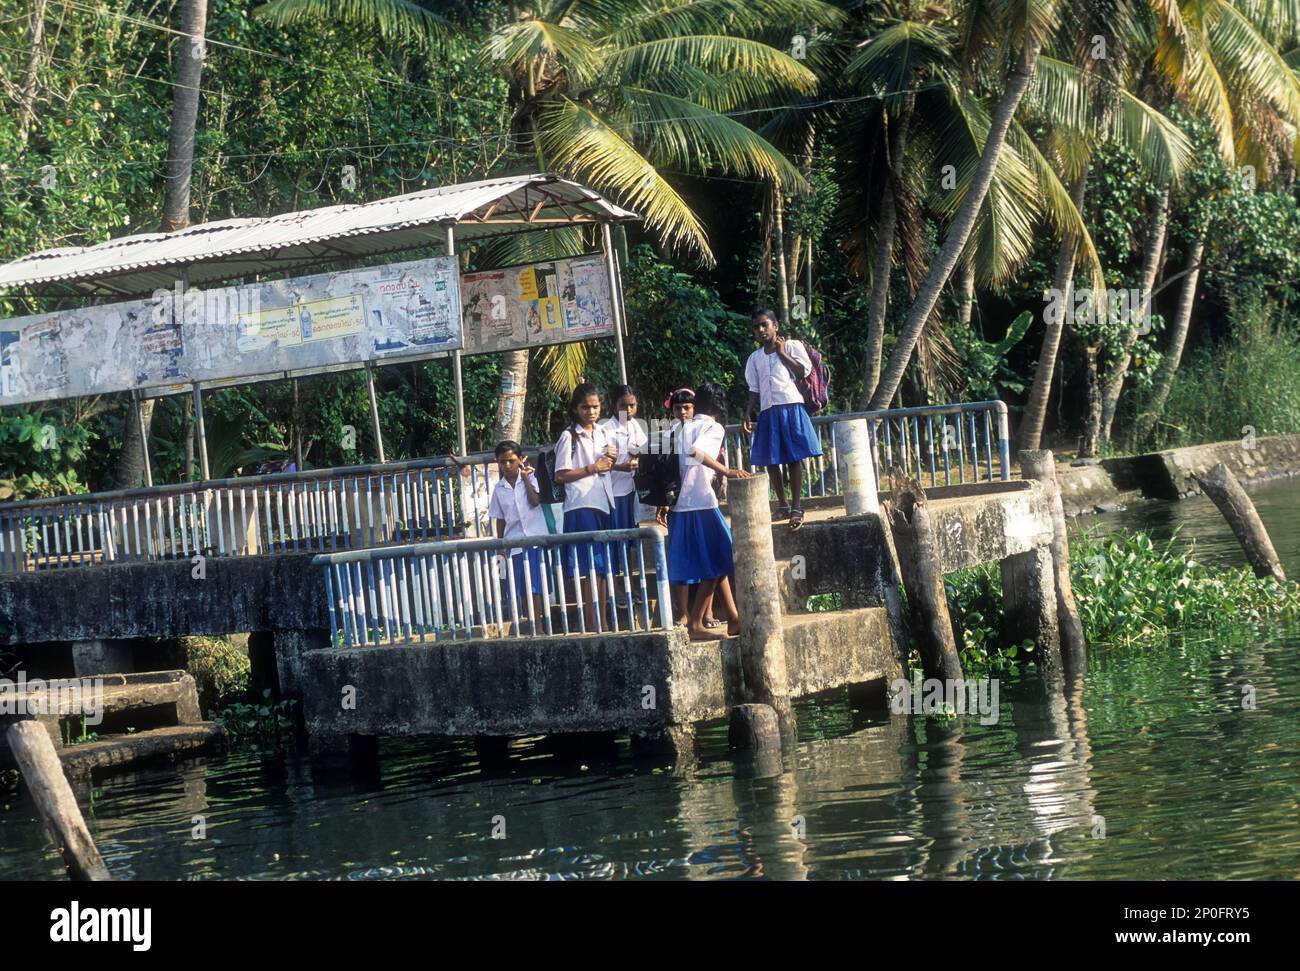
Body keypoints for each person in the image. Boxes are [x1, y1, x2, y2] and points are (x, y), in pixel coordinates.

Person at [657, 388, 751, 641]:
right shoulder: (713, 427)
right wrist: (726, 470)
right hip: (699, 500)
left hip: (680, 503)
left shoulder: (678, 428)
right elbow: (695, 453)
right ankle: (696, 623)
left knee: (717, 558)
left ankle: (733, 618)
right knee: (721, 556)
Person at [743, 308, 822, 529]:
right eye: (756, 327)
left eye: (764, 325)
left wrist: (781, 352)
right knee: (771, 460)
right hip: (768, 410)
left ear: (775, 326)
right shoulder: (754, 358)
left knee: (794, 457)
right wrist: (748, 412)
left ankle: (797, 506)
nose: (760, 330)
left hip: (790, 405)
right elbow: (754, 388)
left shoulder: (791, 346)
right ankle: (783, 504)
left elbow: (803, 371)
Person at [553, 382, 617, 629]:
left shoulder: (602, 432)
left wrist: (610, 460)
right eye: (585, 407)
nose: (590, 412)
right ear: (576, 409)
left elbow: (607, 464)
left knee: (600, 567)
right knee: (586, 566)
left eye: (595, 407)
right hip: (580, 504)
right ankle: (592, 623)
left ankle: (599, 620)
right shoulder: (568, 436)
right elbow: (560, 474)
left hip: (602, 501)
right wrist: (593, 467)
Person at [488, 440, 548, 632]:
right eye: (503, 461)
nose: (507, 465)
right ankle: (524, 624)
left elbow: (535, 501)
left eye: (511, 461)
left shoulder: (530, 478)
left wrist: (526, 479)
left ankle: (538, 625)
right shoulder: (499, 489)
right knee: (520, 586)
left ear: (520, 460)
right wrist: (500, 545)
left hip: (534, 539)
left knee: (535, 585)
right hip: (513, 542)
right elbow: (499, 518)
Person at [601, 383, 648, 605]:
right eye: (623, 405)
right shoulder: (605, 429)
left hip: (630, 493)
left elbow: (643, 450)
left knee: (629, 542)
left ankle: (629, 585)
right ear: (614, 405)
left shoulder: (636, 427)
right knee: (614, 543)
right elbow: (601, 464)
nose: (628, 410)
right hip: (612, 494)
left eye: (632, 405)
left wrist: (639, 458)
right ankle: (615, 588)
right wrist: (622, 466)